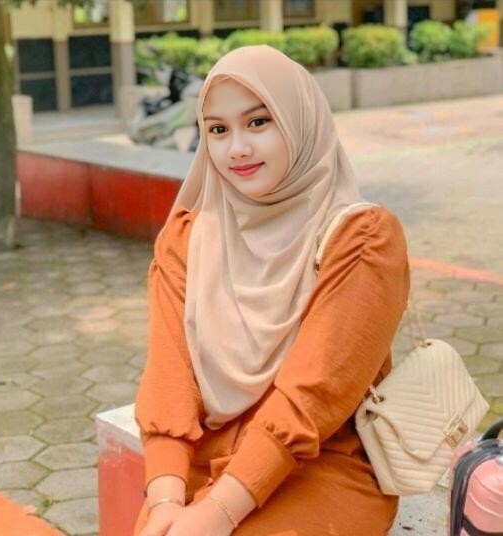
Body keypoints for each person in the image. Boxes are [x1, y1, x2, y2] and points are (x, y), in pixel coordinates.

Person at [133, 44, 410, 536]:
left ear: (300, 121)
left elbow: (311, 398)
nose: (236, 148)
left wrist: (218, 514)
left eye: (258, 122)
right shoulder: (187, 238)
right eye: (218, 130)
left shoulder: (362, 240)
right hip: (202, 457)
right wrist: (164, 500)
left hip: (320, 465)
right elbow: (169, 380)